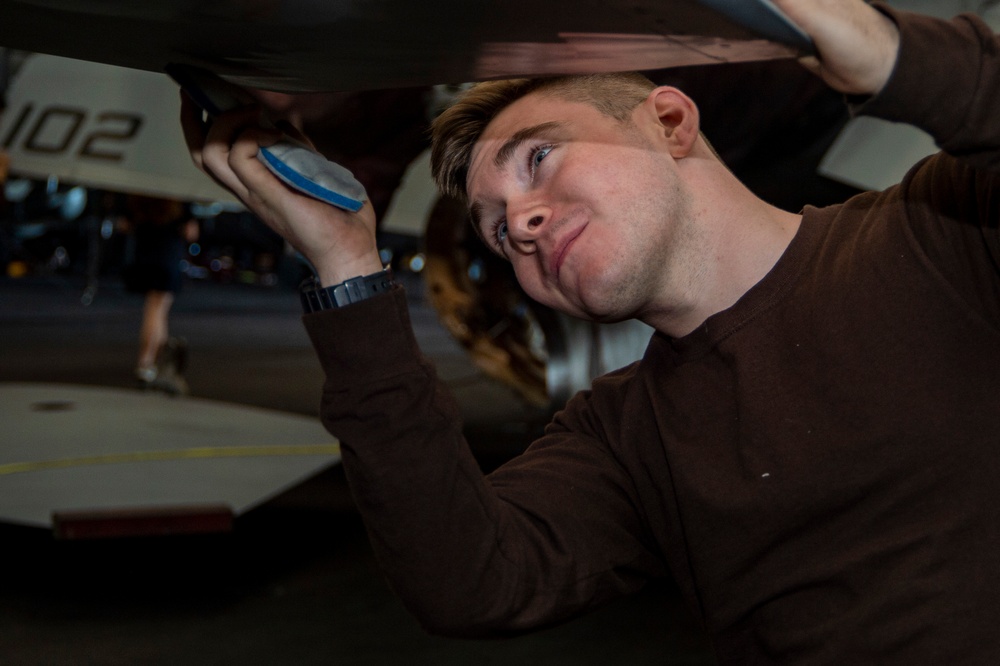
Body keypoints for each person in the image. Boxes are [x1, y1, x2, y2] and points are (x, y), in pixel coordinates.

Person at [182, 1, 1000, 661]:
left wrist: (889, 53)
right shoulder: (623, 436)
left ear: (671, 122)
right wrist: (346, 269)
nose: (523, 223)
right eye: (499, 231)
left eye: (537, 159)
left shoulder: (938, 233)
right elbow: (471, 583)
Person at [120, 194, 198, 393]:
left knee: (155, 310)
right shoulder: (179, 199)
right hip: (167, 255)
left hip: (144, 252)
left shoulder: (139, 195)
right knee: (156, 310)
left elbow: (124, 224)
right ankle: (146, 361)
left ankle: (154, 360)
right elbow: (191, 232)